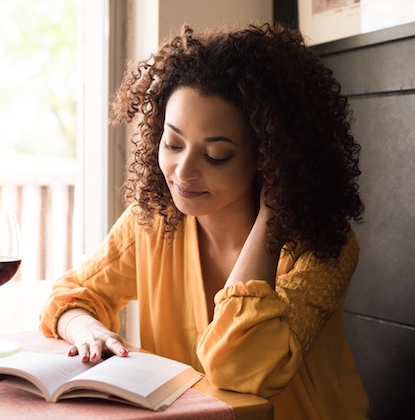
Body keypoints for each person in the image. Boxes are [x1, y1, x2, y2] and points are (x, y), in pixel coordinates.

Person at [40, 22, 369, 419]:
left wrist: (271, 220)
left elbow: (241, 369)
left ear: (269, 155)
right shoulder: (153, 223)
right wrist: (86, 329)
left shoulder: (321, 247)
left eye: (215, 156)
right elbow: (72, 296)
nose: (183, 172)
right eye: (172, 143)